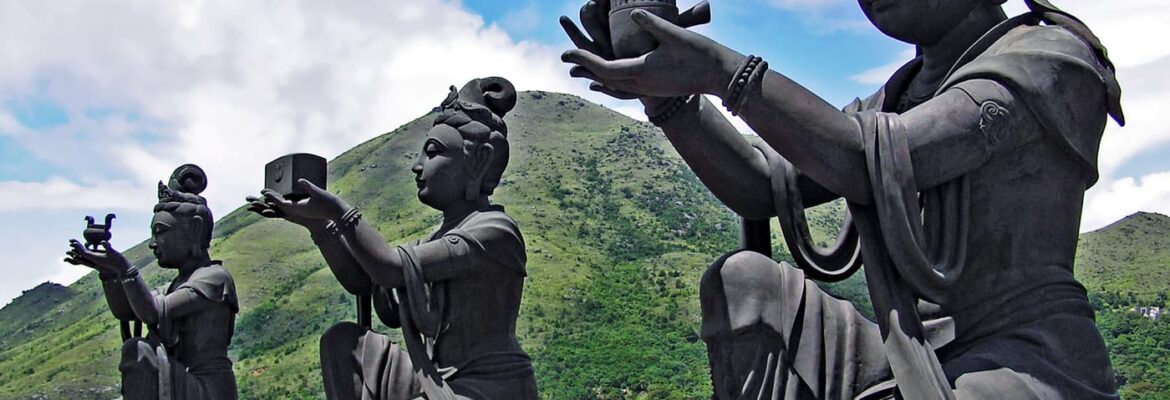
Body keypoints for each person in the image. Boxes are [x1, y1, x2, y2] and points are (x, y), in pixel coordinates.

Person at [562, 0, 1123, 398]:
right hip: (905, 346)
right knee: (746, 282)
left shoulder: (1048, 58)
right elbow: (760, 184)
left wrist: (721, 71)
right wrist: (669, 99)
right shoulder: (897, 95)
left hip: (1022, 355)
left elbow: (871, 158)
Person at [248, 77, 539, 400]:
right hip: (435, 380)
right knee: (344, 342)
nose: (417, 166)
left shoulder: (493, 231)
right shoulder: (434, 241)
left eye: (433, 152)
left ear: (478, 161)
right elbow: (368, 281)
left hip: (487, 388)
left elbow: (390, 268)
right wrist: (319, 226)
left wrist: (340, 211)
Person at [66, 164, 239, 400]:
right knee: (138, 349)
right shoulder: (176, 285)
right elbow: (127, 311)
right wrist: (107, 273)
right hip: (185, 378)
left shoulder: (213, 278)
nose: (153, 243)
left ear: (195, 230)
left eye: (161, 232)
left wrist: (124, 268)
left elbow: (153, 313)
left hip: (207, 389)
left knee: (138, 351)